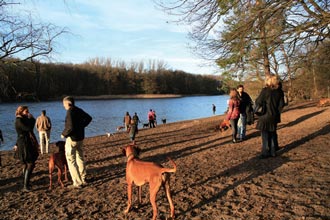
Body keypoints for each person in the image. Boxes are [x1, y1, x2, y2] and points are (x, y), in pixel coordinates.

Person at [61, 96, 92, 188]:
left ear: (68, 103)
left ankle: (77, 182)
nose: (64, 106)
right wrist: (81, 126)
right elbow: (89, 118)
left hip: (72, 138)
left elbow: (70, 127)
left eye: (64, 104)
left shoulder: (70, 112)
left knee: (71, 160)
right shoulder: (78, 110)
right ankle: (83, 178)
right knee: (80, 157)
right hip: (80, 137)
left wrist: (64, 134)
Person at [255, 74, 285, 159]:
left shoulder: (265, 90)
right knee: (272, 133)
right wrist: (277, 111)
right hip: (274, 115)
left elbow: (258, 101)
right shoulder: (280, 91)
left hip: (265, 115)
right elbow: (282, 104)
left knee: (265, 134)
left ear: (268, 81)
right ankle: (273, 151)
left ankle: (265, 152)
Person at [14, 106, 39, 192]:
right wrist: (32, 119)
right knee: (30, 163)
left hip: (24, 142)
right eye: (26, 111)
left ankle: (26, 183)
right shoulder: (19, 120)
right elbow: (28, 128)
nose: (28, 113)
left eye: (28, 111)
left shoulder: (22, 119)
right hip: (24, 143)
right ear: (21, 112)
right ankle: (25, 185)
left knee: (27, 163)